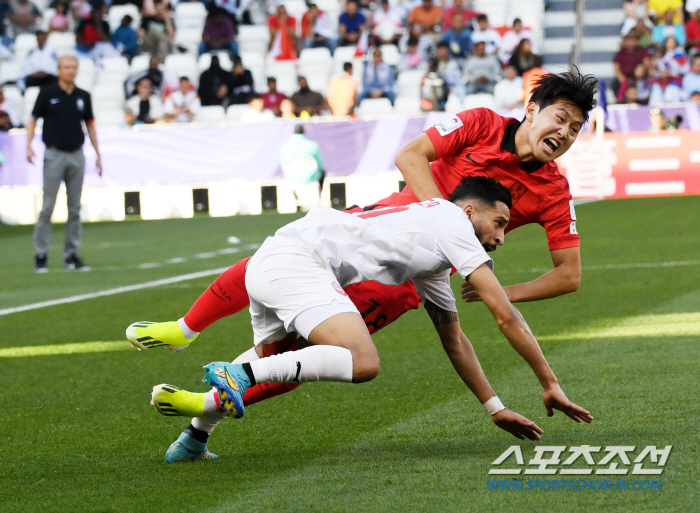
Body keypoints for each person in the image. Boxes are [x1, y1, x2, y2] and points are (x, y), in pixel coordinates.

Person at [127, 72, 597, 462]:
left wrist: (501, 293)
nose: (565, 133)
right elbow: (410, 155)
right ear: (531, 109)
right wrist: (443, 219)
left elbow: (568, 276)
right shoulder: (479, 126)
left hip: (401, 279)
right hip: (376, 230)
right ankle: (188, 334)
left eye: (576, 129)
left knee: (294, 349)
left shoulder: (553, 191)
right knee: (340, 355)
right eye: (561, 118)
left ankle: (196, 429)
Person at [27, 55, 101, 273]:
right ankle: (41, 254)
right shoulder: (47, 93)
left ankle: (71, 255)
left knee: (75, 208)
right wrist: (28, 145)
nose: (70, 71)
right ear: (59, 70)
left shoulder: (83, 96)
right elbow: (33, 119)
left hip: (76, 154)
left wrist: (98, 153)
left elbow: (90, 125)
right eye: (66, 67)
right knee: (47, 207)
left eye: (73, 67)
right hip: (54, 154)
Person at [279, 125, 325, 211]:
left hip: (291, 179)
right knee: (323, 173)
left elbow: (283, 165)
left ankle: (297, 202)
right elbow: (320, 165)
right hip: (311, 179)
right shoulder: (313, 145)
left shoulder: (285, 146)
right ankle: (319, 198)